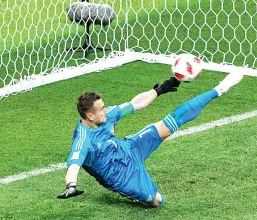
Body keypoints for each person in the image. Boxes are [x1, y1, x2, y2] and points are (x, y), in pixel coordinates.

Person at [57, 72, 244, 207]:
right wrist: (71, 186)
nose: (106, 111)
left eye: (104, 107)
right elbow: (74, 165)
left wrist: (161, 89)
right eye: (101, 109)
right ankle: (137, 192)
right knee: (157, 202)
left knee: (170, 122)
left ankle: (219, 89)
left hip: (130, 148)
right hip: (122, 177)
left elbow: (136, 103)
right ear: (90, 116)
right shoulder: (82, 140)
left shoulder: (106, 116)